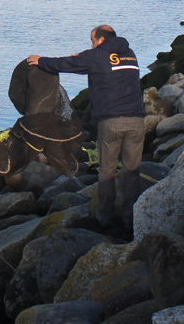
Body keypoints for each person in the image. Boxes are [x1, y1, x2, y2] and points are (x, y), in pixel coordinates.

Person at [27, 25, 146, 231]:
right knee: (132, 172)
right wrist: (87, 56)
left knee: (107, 171)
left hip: (111, 122)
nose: (91, 44)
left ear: (100, 40)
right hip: (137, 120)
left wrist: (41, 61)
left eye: (92, 41)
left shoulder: (97, 55)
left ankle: (105, 218)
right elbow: (96, 64)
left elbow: (66, 63)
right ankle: (131, 219)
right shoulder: (130, 54)